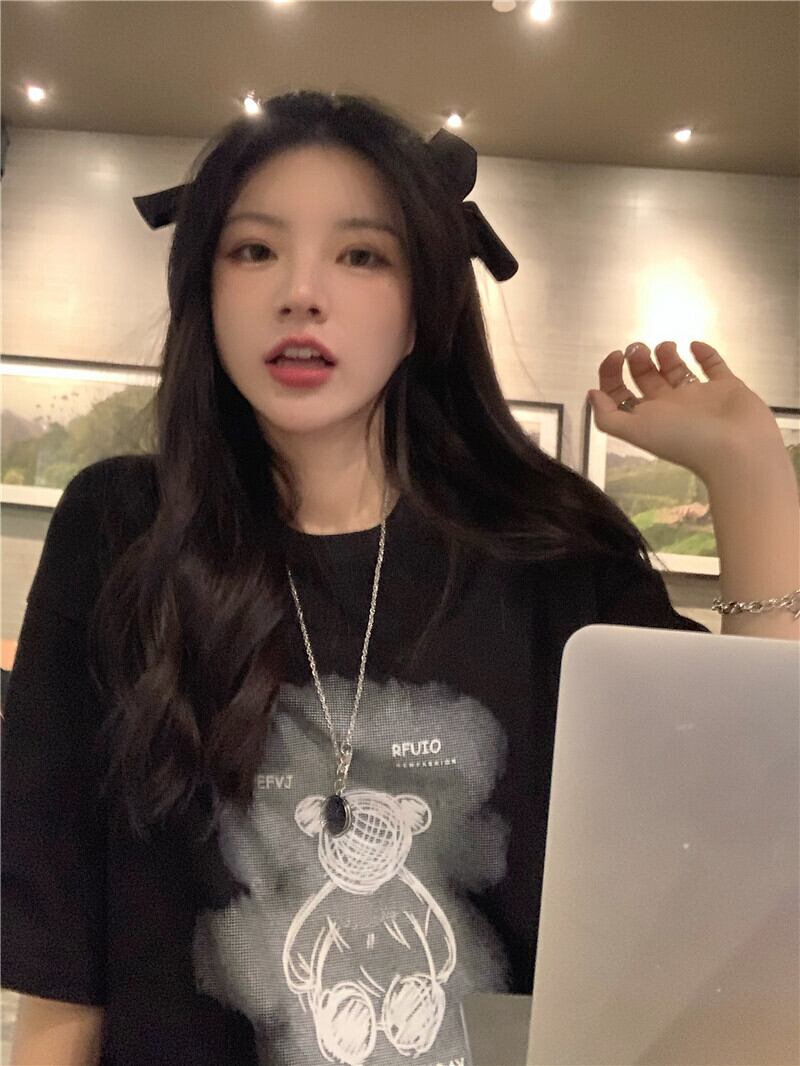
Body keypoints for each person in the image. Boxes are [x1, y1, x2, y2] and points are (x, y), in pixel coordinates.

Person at [2, 89, 797, 1066]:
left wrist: (750, 476)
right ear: (205, 290)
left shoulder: (549, 557)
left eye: (361, 255)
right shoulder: (121, 528)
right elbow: (60, 948)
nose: (302, 292)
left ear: (422, 310)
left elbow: (747, 831)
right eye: (254, 249)